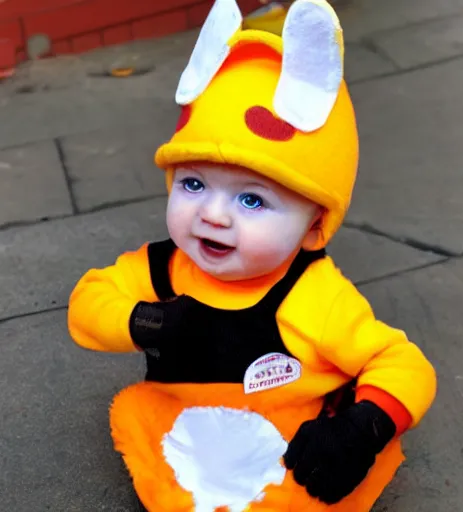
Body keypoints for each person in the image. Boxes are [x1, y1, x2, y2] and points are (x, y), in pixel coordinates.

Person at [67, 0, 437, 510]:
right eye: (193, 183)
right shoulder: (164, 269)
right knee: (139, 419)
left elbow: (404, 364)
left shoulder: (314, 297)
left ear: (313, 225)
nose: (214, 216)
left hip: (287, 435)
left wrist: (361, 427)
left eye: (251, 199)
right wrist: (144, 322)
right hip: (185, 423)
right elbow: (89, 303)